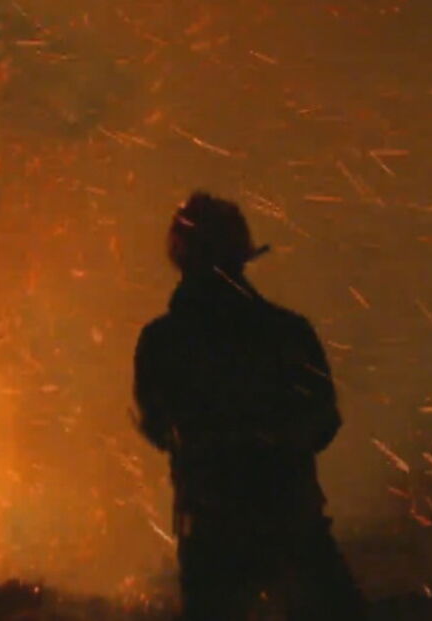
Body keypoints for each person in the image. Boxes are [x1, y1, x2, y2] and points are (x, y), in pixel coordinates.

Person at [133, 192, 367, 620]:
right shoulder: (286, 332)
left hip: (210, 533)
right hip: (292, 524)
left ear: (180, 259)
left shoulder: (161, 343)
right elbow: (323, 423)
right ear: (241, 257)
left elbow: (160, 427)